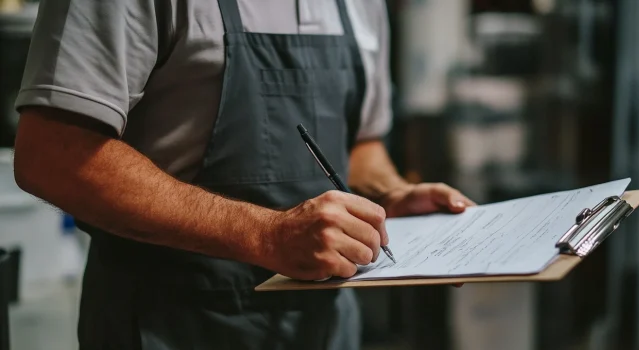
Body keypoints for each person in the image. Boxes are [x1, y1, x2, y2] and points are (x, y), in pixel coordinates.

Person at [12, 0, 475, 349]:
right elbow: (54, 153)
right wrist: (268, 235)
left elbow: (360, 143)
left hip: (326, 329)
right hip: (171, 325)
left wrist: (390, 196)